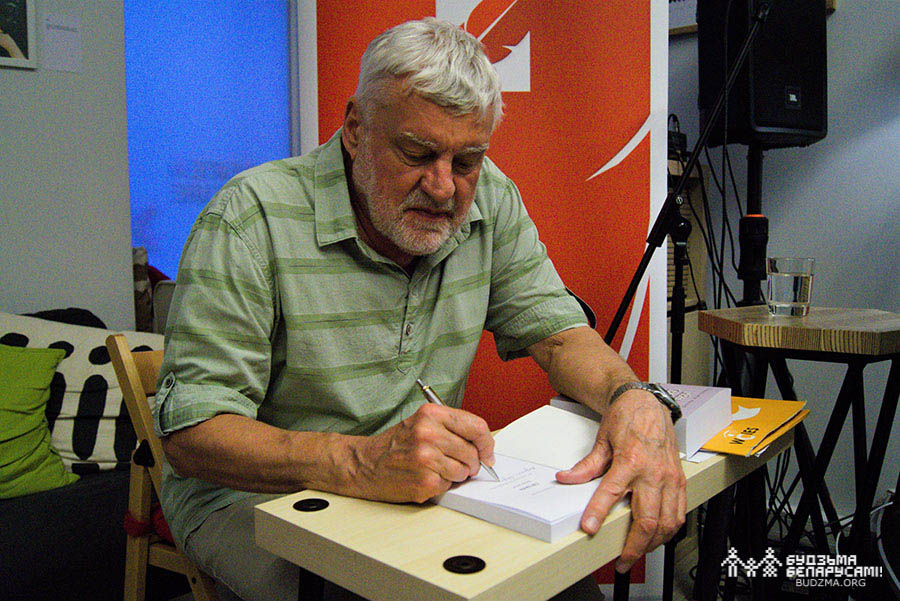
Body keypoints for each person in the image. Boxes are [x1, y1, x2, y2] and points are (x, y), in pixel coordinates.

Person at [154, 18, 685, 601]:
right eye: (416, 152)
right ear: (355, 129)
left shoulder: (489, 199)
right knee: (367, 591)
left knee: (561, 591)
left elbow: (558, 334)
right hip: (255, 496)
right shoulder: (249, 218)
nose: (443, 187)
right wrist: (361, 463)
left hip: (414, 487)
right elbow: (193, 435)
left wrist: (632, 397)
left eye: (466, 160)